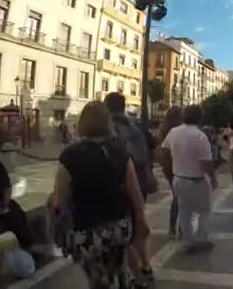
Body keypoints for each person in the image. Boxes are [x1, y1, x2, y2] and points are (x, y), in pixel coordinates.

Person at [50, 101, 149, 289]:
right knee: (118, 269)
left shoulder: (69, 155)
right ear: (107, 123)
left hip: (86, 233)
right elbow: (136, 197)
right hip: (120, 228)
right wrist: (141, 224)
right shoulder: (120, 153)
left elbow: (59, 202)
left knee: (98, 278)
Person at [104, 92, 153, 285]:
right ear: (124, 106)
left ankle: (135, 276)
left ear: (107, 108)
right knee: (136, 224)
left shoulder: (109, 129)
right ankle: (146, 265)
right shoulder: (139, 125)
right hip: (142, 182)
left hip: (122, 185)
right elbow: (152, 148)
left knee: (124, 230)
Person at [161, 105, 217, 253]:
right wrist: (213, 178)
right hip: (197, 179)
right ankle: (201, 239)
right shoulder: (200, 136)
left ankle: (188, 241)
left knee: (184, 210)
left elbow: (164, 150)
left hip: (178, 178)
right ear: (199, 118)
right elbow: (207, 163)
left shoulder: (173, 132)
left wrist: (175, 162)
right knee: (204, 210)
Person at [0, 159, 41, 285]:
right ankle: (28, 247)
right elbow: (7, 190)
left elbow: (6, 191)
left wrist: (3, 206)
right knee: (13, 212)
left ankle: (28, 247)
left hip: (0, 206)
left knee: (12, 210)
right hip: (0, 207)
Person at [156, 106, 182, 238]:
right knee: (181, 197)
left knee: (177, 195)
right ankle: (180, 229)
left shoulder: (162, 128)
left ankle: (173, 228)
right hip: (179, 166)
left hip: (167, 166)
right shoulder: (177, 131)